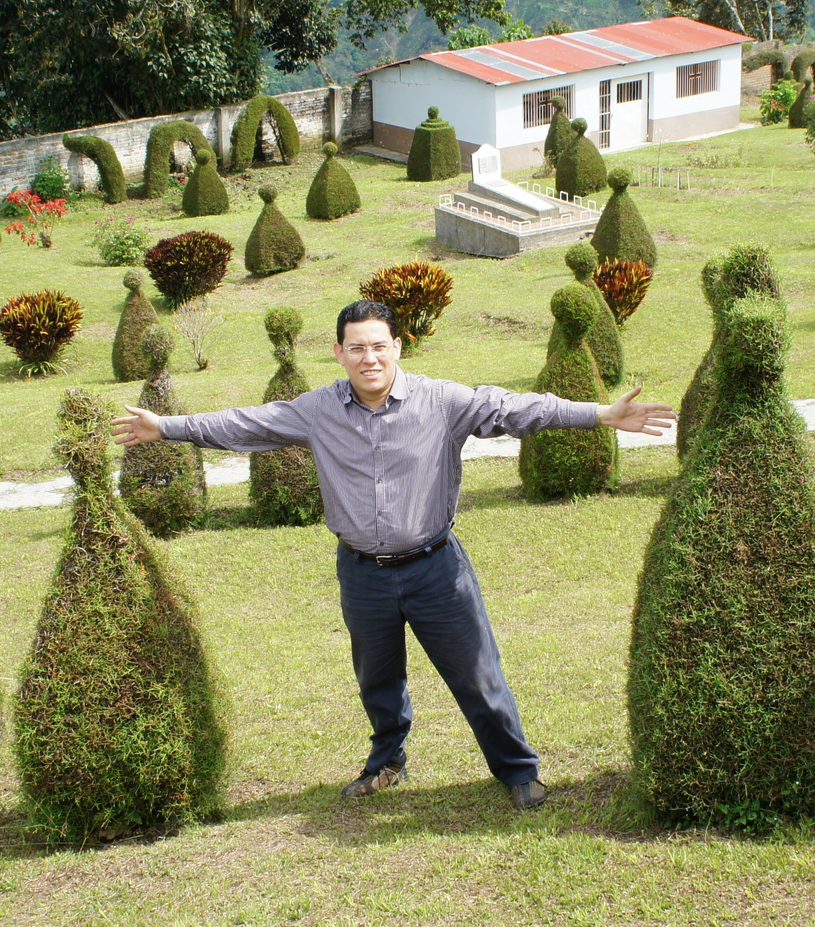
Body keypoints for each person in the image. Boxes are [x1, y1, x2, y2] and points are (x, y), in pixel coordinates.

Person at [110, 299, 675, 810]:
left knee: (478, 674)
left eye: (379, 346)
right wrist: (166, 427)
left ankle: (518, 771)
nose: (369, 357)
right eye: (357, 347)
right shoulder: (316, 410)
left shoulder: (442, 401)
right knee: (377, 680)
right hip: (362, 574)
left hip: (436, 569)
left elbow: (515, 409)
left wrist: (599, 414)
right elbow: (244, 425)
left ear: (397, 347)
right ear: (339, 352)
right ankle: (387, 763)